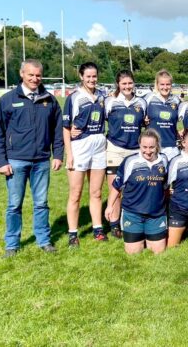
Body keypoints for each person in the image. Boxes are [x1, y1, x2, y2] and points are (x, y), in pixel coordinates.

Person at [0, 59, 64, 257]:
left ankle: (44, 240)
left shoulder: (49, 99)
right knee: (14, 205)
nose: (34, 78)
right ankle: (12, 244)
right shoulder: (7, 99)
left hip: (41, 160)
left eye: (38, 75)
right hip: (16, 161)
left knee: (41, 203)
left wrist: (58, 154)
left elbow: (57, 131)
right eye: (30, 74)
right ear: (22, 74)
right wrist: (1, 162)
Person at [63, 62, 107, 246]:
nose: (91, 79)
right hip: (80, 146)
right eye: (88, 76)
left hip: (99, 144)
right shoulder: (74, 98)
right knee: (76, 193)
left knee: (96, 192)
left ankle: (98, 229)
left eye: (94, 76)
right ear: (81, 76)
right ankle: (73, 233)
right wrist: (69, 154)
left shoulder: (102, 97)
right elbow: (66, 128)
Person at [105, 129, 169, 254]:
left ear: (157, 146)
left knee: (158, 254)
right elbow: (116, 186)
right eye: (144, 147)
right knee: (134, 254)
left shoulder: (164, 160)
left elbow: (165, 186)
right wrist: (109, 206)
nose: (148, 151)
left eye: (152, 147)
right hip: (133, 214)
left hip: (156, 215)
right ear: (139, 145)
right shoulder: (130, 161)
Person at [103, 70, 146, 238]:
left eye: (130, 83)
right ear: (118, 85)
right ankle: (114, 225)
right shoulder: (110, 102)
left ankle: (131, 222)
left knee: (133, 189)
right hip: (115, 149)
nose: (127, 86)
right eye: (124, 84)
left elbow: (146, 122)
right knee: (115, 188)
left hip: (135, 151)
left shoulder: (141, 103)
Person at [144, 69, 181, 160]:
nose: (165, 87)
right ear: (157, 85)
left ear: (171, 85)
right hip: (152, 146)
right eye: (162, 84)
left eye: (168, 84)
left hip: (171, 147)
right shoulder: (148, 98)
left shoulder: (176, 100)